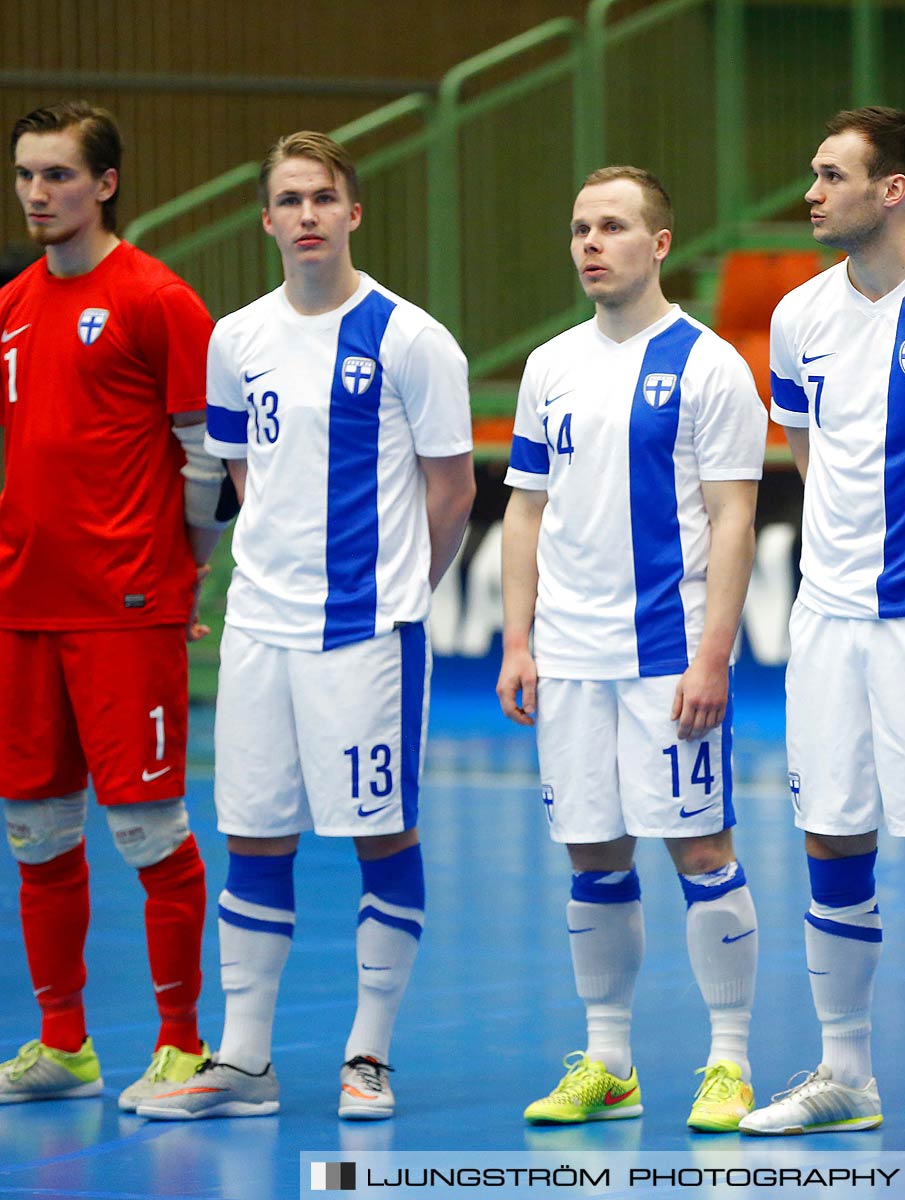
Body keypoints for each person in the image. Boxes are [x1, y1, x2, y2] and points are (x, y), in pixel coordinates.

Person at [137, 131, 475, 1121]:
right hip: (259, 633)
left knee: (381, 833)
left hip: (367, 634)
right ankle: (243, 1063)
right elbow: (243, 477)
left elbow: (450, 494)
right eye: (290, 200)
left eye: (324, 197)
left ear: (353, 212)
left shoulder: (412, 338)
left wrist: (400, 590)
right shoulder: (235, 339)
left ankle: (367, 1055)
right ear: (268, 219)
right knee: (253, 830)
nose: (309, 215)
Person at [743, 106, 905, 1135]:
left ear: (891, 188)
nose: (810, 192)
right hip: (828, 618)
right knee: (831, 834)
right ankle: (845, 1074)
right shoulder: (798, 315)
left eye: (829, 174)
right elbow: (810, 461)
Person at [496, 166, 764, 1132]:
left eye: (612, 226)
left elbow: (736, 515)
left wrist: (714, 655)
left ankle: (728, 1060)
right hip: (568, 659)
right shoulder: (551, 365)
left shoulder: (709, 364)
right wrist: (518, 639)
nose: (591, 244)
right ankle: (609, 1061)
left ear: (659, 242)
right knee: (592, 854)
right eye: (579, 228)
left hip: (666, 655)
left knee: (699, 849)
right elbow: (524, 513)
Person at [0, 101, 224, 1109]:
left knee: (147, 828)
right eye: (26, 176)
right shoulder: (10, 304)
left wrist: (184, 574)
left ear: (105, 183)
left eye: (57, 175)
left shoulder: (157, 299)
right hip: (22, 607)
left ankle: (181, 1043)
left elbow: (206, 455)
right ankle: (64, 1045)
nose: (39, 194)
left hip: (123, 604)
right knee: (36, 833)